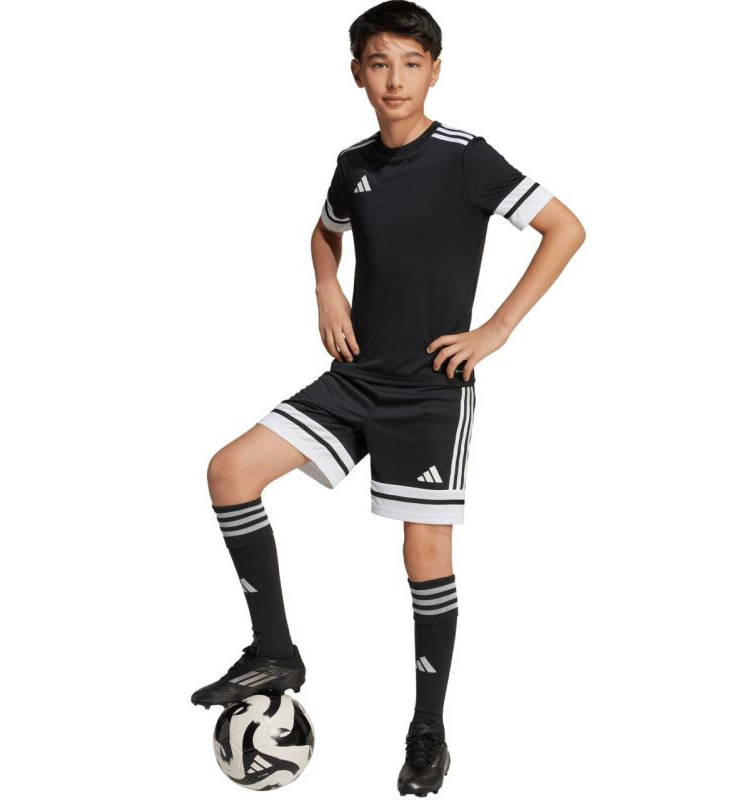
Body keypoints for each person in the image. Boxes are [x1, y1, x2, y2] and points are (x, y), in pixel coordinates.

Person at [191, 1, 585, 795]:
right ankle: (275, 650)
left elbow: (566, 228)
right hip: (355, 379)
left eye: (411, 63)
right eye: (379, 63)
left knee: (424, 556)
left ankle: (427, 729)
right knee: (229, 472)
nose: (395, 79)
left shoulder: (466, 157)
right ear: (357, 74)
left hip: (430, 392)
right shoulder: (353, 164)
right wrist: (326, 287)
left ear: (435, 71)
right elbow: (324, 231)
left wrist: (496, 330)